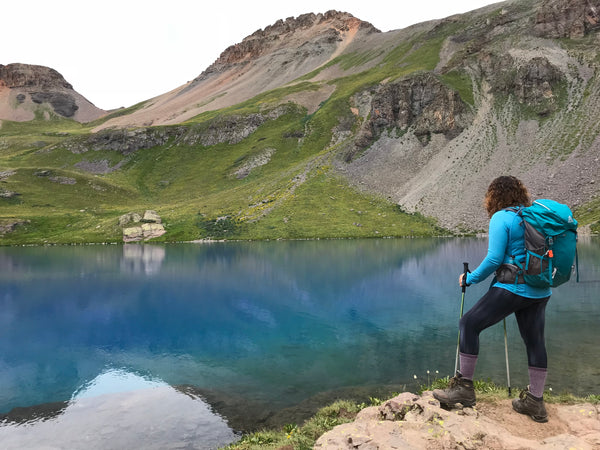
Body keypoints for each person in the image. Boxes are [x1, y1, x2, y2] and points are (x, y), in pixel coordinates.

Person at [432, 175, 552, 423]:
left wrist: (470, 278)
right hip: (540, 289)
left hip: (513, 288)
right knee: (535, 341)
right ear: (521, 193)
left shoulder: (501, 218)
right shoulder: (534, 216)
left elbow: (495, 259)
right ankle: (535, 402)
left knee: (469, 324)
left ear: (494, 196)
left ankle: (464, 389)